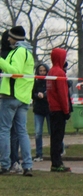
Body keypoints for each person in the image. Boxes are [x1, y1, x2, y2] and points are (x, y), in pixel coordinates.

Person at [0, 26, 35, 176]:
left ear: (15, 38)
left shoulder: (18, 52)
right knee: (22, 132)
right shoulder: (28, 52)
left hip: (11, 96)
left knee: (4, 130)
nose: (8, 39)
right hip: (23, 97)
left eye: (10, 36)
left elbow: (15, 72)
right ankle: (28, 165)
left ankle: (5, 164)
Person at [46, 48, 71, 172]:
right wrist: (66, 110)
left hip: (52, 108)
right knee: (58, 137)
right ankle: (57, 162)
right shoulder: (60, 72)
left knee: (54, 136)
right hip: (59, 109)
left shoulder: (51, 71)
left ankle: (55, 161)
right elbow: (62, 93)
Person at [32, 62, 51, 162]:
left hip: (49, 109)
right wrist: (37, 95)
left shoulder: (50, 81)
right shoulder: (35, 81)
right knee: (38, 133)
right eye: (40, 71)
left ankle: (58, 150)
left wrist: (45, 95)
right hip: (38, 110)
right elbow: (31, 94)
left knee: (52, 131)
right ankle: (39, 154)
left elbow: (52, 93)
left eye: (44, 71)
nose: (42, 72)